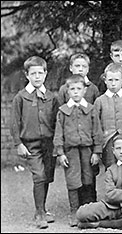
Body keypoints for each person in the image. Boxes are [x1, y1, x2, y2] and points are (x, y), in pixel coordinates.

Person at [10, 56, 59, 229]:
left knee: (46, 176)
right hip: (30, 144)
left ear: (45, 74)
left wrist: (58, 144)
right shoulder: (20, 97)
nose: (37, 77)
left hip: (49, 143)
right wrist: (18, 143)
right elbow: (15, 122)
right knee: (38, 175)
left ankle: (43, 209)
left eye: (40, 73)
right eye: (33, 73)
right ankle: (39, 214)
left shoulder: (51, 97)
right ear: (27, 75)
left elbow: (56, 122)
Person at [53, 74, 103, 226]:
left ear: (84, 91)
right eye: (72, 89)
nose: (75, 92)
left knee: (88, 178)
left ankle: (90, 212)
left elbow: (97, 131)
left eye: (79, 89)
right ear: (67, 91)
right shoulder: (63, 111)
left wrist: (97, 151)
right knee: (73, 180)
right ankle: (74, 212)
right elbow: (58, 133)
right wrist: (60, 153)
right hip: (70, 152)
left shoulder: (91, 109)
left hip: (88, 151)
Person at [76, 133, 122, 230]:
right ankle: (114, 221)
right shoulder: (111, 170)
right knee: (82, 213)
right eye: (118, 148)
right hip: (111, 207)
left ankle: (98, 224)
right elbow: (109, 194)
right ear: (113, 151)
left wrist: (118, 197)